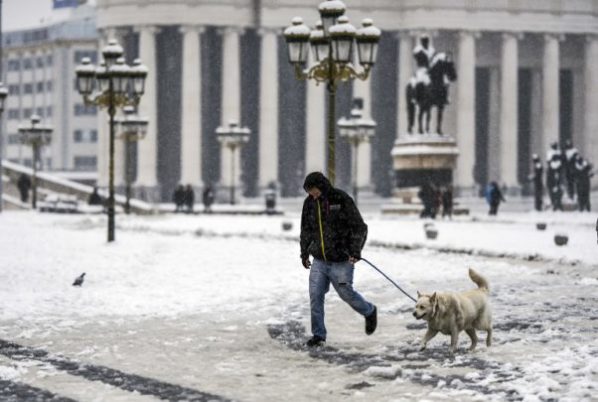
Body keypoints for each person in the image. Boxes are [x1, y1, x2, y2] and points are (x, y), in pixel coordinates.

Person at [300, 172, 377, 347]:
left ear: (321, 186)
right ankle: (319, 335)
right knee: (315, 295)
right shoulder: (309, 203)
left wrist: (355, 250)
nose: (311, 195)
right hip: (319, 260)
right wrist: (304, 253)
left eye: (313, 190)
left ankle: (369, 311)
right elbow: (306, 230)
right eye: (308, 192)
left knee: (346, 294)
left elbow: (359, 227)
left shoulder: (341, 199)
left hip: (341, 260)